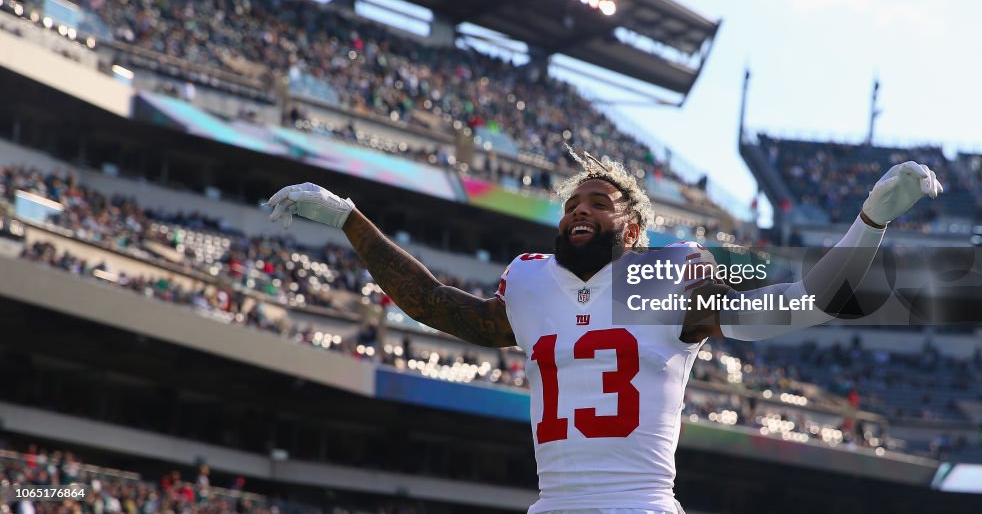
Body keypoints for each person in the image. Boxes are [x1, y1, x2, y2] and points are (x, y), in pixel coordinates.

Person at [266, 151, 943, 514]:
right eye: (571, 205)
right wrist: (351, 219)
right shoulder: (530, 282)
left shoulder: (669, 276)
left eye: (597, 203)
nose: (578, 212)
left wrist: (869, 224)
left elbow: (793, 308)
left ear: (635, 230)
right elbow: (438, 303)